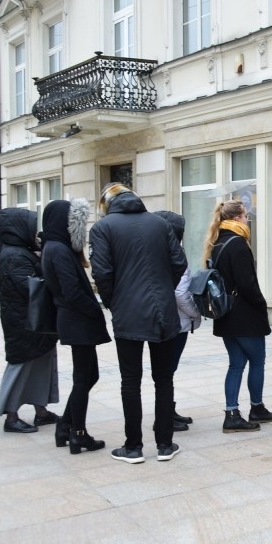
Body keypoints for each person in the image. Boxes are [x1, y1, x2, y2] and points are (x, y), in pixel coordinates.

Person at [90, 183, 186, 463]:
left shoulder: (103, 228)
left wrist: (114, 301)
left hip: (128, 311)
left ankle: (133, 447)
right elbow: (179, 263)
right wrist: (164, 290)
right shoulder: (159, 223)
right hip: (163, 311)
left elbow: (102, 272)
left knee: (130, 380)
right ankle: (166, 444)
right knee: (164, 379)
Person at [41, 199, 111, 454]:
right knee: (83, 378)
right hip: (76, 320)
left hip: (74, 319)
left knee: (89, 375)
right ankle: (78, 434)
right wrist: (96, 309)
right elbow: (71, 292)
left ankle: (65, 426)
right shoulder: (58, 249)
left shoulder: (55, 247)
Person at [203, 200, 272, 434]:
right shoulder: (238, 244)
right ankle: (256, 408)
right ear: (237, 218)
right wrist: (261, 303)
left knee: (236, 364)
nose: (248, 220)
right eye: (246, 216)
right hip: (244, 315)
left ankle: (232, 413)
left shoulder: (217, 243)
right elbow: (247, 283)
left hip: (225, 315)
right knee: (257, 361)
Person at [0, 208, 60, 433]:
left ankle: (41, 411)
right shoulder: (14, 255)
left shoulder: (21, 252)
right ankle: (11, 417)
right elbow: (32, 287)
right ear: (18, 229)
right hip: (23, 323)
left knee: (42, 365)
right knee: (21, 367)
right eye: (31, 226)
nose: (35, 231)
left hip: (32, 321)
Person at [154, 210, 199, 432]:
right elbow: (181, 294)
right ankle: (165, 416)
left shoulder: (153, 251)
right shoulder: (175, 253)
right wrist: (195, 314)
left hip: (159, 319)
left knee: (165, 370)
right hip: (176, 321)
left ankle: (167, 411)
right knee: (167, 370)